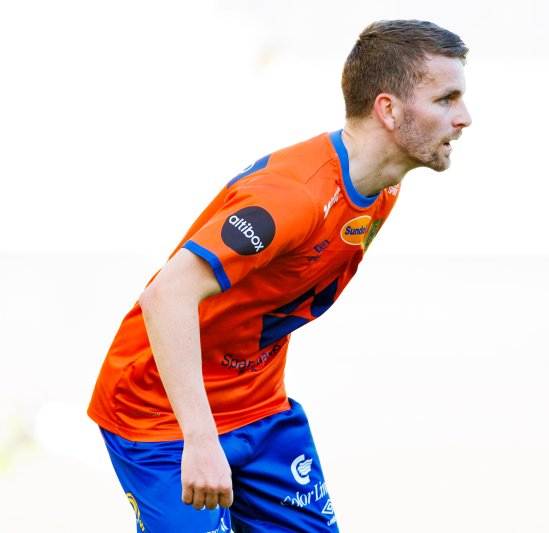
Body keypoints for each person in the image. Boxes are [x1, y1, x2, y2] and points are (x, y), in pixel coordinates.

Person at [88, 19, 472, 532]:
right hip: (161, 416)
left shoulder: (382, 189)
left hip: (260, 410)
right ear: (388, 109)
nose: (464, 117)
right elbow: (166, 297)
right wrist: (199, 441)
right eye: (446, 99)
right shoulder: (292, 197)